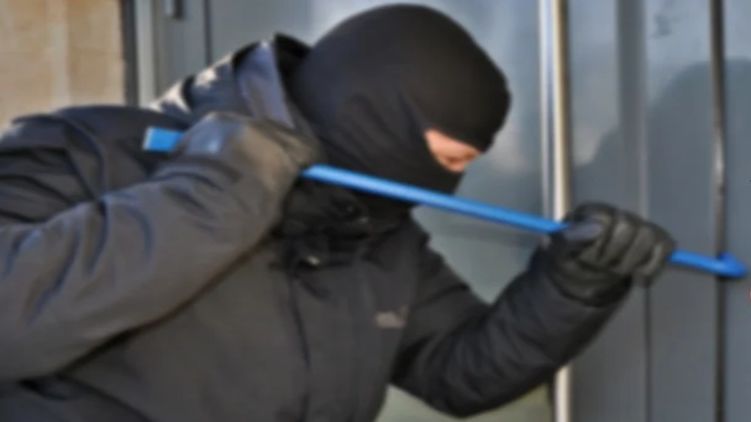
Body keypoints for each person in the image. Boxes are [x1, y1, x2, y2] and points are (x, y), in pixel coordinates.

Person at [0, 5, 674, 421]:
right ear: (370, 118)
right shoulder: (90, 151)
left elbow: (456, 373)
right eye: (446, 157)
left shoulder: (372, 229)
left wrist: (569, 288)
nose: (446, 185)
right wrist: (217, 190)